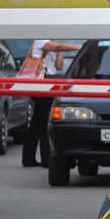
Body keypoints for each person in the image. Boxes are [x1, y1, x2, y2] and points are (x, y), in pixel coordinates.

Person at [18, 38, 75, 167]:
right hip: (41, 82)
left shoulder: (53, 45)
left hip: (48, 80)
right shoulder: (41, 41)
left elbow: (59, 66)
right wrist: (78, 48)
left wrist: (59, 52)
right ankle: (45, 159)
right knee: (44, 121)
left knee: (37, 121)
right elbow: (59, 46)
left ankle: (29, 159)